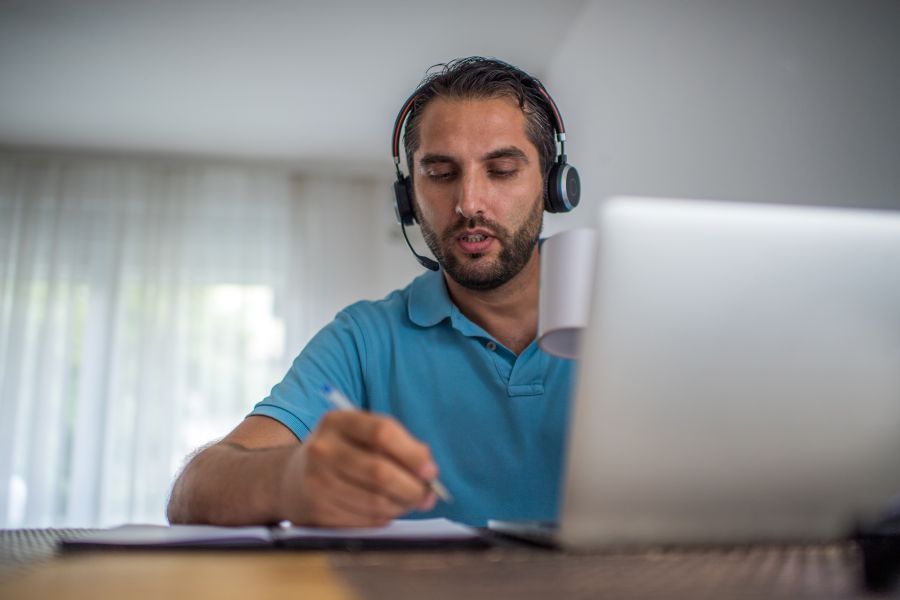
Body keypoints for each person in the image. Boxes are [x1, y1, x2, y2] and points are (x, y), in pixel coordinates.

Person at [167, 57, 579, 528]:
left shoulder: (629, 318)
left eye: (501, 170)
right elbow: (191, 495)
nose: (469, 203)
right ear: (408, 198)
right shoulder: (364, 338)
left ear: (553, 185)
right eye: (440, 174)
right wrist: (291, 479)